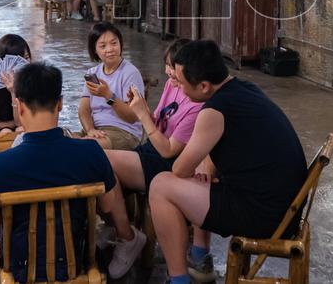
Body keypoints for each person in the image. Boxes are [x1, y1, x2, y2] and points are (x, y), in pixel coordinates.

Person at [149, 40, 307, 284]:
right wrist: (206, 162)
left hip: (264, 215)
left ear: (203, 86)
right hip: (286, 207)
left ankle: (179, 279)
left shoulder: (213, 111)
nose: (177, 85)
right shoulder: (244, 88)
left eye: (181, 82)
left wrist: (200, 163)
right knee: (200, 177)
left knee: (161, 186)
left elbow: (180, 169)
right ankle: (200, 257)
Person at [0, 63, 116, 283]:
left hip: (22, 269)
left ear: (19, 106)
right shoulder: (91, 152)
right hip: (75, 262)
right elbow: (108, 206)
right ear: (60, 103)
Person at [100, 39, 211, 278]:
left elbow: (169, 150)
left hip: (167, 163)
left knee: (102, 161)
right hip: (151, 149)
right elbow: (158, 121)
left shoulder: (196, 103)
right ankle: (121, 229)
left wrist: (141, 115)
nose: (167, 72)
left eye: (172, 68)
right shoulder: (174, 85)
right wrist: (140, 107)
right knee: (99, 165)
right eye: (167, 66)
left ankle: (127, 238)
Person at [77, 22, 144, 150]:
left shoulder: (130, 73)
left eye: (114, 43)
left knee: (85, 147)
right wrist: (90, 129)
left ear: (120, 44)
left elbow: (132, 117)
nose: (110, 49)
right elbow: (83, 110)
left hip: (124, 132)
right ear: (95, 50)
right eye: (102, 46)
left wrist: (108, 95)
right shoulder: (93, 73)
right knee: (61, 140)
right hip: (96, 130)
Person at [0, 34, 31, 133]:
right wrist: (12, 124)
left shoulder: (31, 79)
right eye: (18, 60)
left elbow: (22, 123)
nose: (24, 63)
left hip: (22, 129)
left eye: (27, 57)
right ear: (4, 62)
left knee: (20, 130)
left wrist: (13, 92)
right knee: (6, 131)